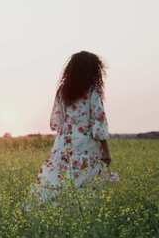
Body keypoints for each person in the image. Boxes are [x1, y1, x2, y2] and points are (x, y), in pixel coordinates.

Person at [29, 51, 111, 205]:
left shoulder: (63, 91)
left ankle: (50, 214)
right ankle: (80, 218)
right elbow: (99, 124)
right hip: (86, 145)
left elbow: (57, 122)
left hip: (63, 145)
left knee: (57, 181)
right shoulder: (93, 91)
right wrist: (106, 151)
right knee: (85, 185)